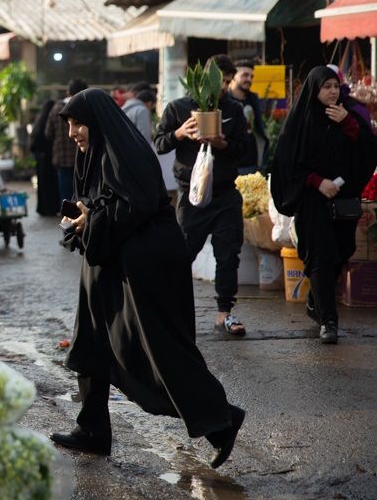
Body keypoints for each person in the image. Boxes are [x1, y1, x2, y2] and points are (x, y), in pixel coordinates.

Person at [50, 89, 245, 469]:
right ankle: (92, 429)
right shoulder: (95, 152)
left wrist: (92, 218)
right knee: (91, 340)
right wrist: (84, 215)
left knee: (155, 348)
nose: (73, 132)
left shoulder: (127, 151)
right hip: (111, 256)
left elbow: (134, 205)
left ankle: (221, 420)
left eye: (77, 123)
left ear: (98, 120)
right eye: (69, 125)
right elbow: (103, 201)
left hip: (144, 262)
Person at [271, 66, 377, 344]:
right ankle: (329, 322)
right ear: (314, 90)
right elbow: (287, 164)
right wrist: (317, 182)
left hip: (342, 199)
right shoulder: (300, 122)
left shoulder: (349, 117)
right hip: (311, 200)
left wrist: (349, 124)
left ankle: (313, 300)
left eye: (335, 86)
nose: (332, 92)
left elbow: (367, 152)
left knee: (342, 252)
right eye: (326, 87)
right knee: (321, 256)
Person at [155, 55, 250, 336]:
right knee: (182, 253)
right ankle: (172, 311)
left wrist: (222, 142)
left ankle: (225, 313)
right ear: (207, 77)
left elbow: (244, 150)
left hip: (225, 194)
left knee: (228, 254)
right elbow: (159, 143)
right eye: (220, 80)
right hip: (191, 195)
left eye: (228, 82)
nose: (223, 87)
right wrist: (180, 133)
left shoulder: (234, 109)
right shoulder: (179, 108)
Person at [47, 78, 89, 203]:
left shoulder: (56, 109)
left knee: (65, 191)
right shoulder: (84, 107)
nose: (72, 133)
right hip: (82, 156)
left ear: (67, 92)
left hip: (62, 156)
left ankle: (66, 215)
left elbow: (48, 133)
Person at [227, 60, 270, 174]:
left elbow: (259, 130)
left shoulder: (253, 99)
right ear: (233, 76)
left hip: (253, 163)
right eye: (245, 75)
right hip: (231, 164)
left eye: (251, 76)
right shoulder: (225, 100)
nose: (249, 79)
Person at [29, 99, 61, 217]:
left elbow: (33, 142)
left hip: (40, 159)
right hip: (50, 158)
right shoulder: (51, 121)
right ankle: (53, 207)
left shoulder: (39, 122)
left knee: (43, 186)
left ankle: (44, 208)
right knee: (52, 186)